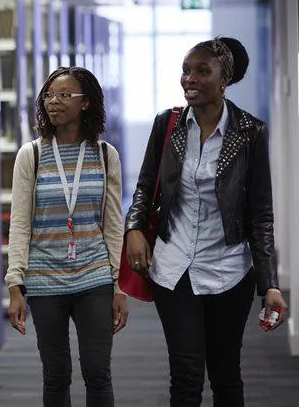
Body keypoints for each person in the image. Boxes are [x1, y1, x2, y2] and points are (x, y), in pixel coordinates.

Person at [124, 36, 289, 407]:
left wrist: (270, 285)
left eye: (202, 71)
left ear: (224, 78)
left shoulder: (250, 132)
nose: (190, 79)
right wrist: (134, 228)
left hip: (228, 270)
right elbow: (145, 186)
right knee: (185, 376)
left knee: (226, 375)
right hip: (173, 267)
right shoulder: (167, 124)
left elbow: (260, 212)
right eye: (186, 70)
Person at [5, 66, 128, 407]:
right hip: (44, 280)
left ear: (86, 102)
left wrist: (119, 286)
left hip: (94, 277)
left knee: (97, 372)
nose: (53, 102)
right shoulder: (31, 155)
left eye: (64, 95)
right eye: (49, 96)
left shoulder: (105, 155)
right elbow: (19, 224)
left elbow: (113, 225)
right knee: (56, 374)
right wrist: (15, 284)